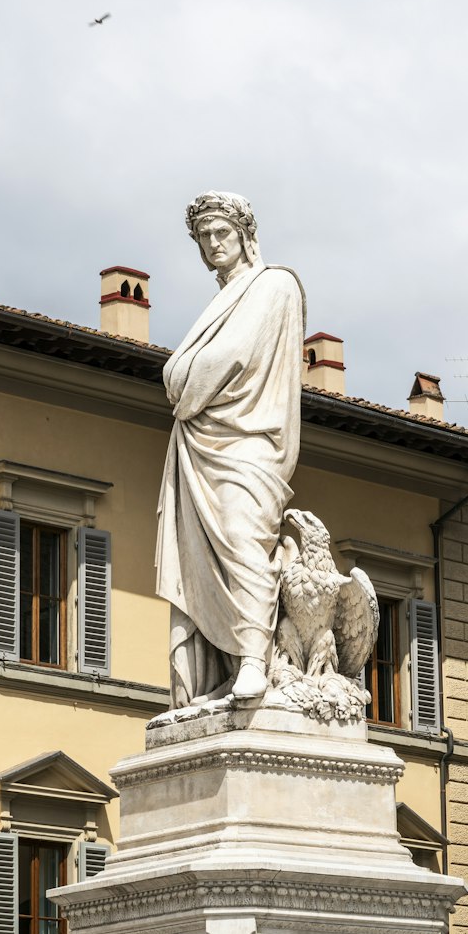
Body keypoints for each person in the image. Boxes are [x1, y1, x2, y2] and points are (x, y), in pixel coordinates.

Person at [156, 191, 305, 706]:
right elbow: (195, 368)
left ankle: (252, 660)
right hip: (201, 444)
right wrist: (182, 375)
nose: (214, 243)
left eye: (222, 232)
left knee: (244, 539)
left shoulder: (275, 285)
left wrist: (180, 375)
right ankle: (216, 674)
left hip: (250, 441)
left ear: (245, 235)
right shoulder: (222, 300)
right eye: (204, 237)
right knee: (201, 559)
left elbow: (231, 356)